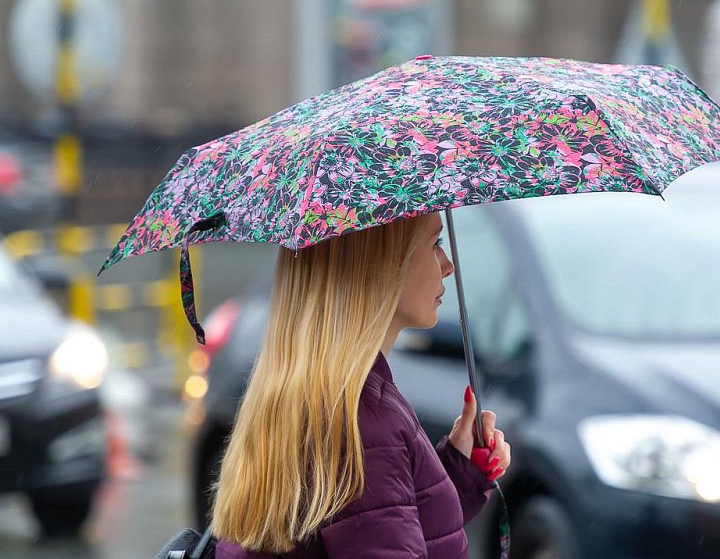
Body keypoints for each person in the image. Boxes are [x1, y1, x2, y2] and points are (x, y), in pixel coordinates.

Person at [212, 211, 512, 558]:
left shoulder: (319, 395)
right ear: (380, 266)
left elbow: (372, 518)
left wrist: (459, 475)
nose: (448, 266)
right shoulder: (361, 420)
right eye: (435, 244)